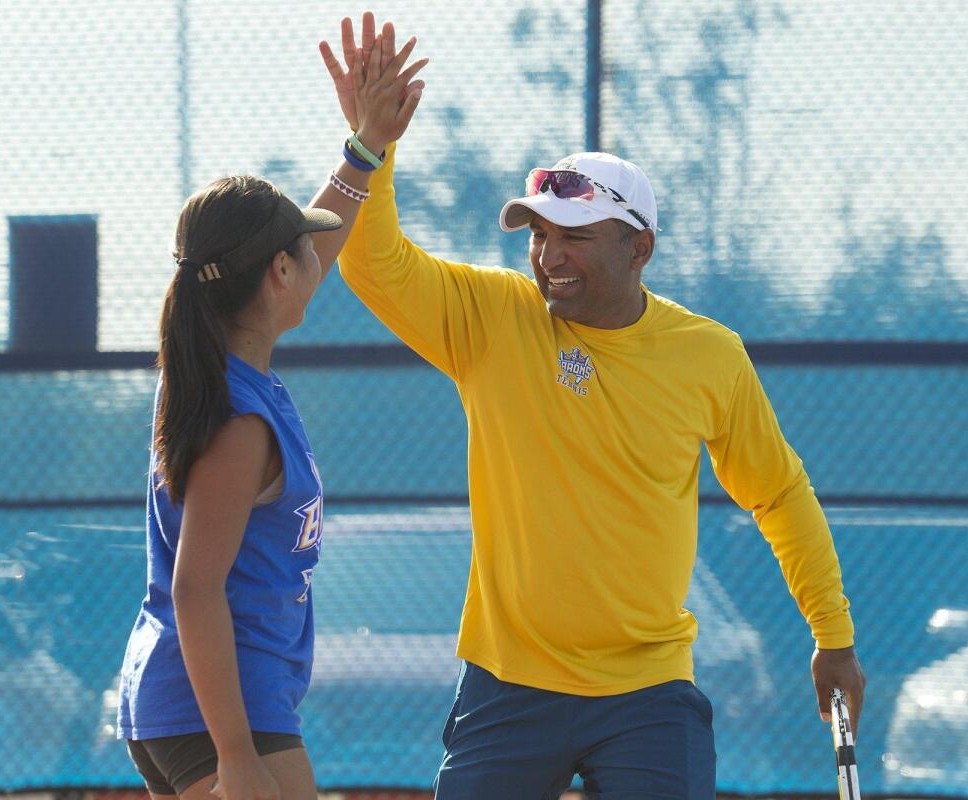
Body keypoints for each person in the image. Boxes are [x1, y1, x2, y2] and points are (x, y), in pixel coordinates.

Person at [323, 14, 865, 800]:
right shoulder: (493, 319)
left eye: (575, 235)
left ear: (639, 248)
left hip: (647, 693)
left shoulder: (708, 354)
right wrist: (372, 145)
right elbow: (372, 264)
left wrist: (833, 636)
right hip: (507, 686)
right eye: (539, 234)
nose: (550, 255)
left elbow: (777, 494)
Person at [115, 38, 426, 800]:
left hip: (192, 708)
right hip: (224, 720)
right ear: (280, 273)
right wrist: (239, 759)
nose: (320, 257)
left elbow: (321, 236)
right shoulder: (238, 421)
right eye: (302, 251)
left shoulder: (213, 372)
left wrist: (366, 148)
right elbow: (196, 589)